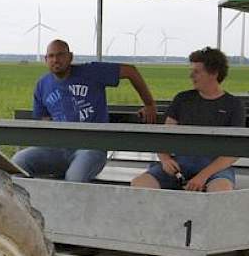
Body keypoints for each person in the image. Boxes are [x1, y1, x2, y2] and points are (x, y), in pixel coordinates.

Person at [12, 39, 157, 182]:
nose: (56, 59)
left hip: (91, 147)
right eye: (51, 56)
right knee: (18, 163)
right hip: (58, 149)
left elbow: (130, 71)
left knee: (75, 177)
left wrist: (149, 104)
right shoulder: (42, 85)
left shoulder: (91, 72)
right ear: (46, 59)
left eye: (60, 55)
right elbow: (43, 120)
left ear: (70, 57)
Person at [131, 47, 245, 192]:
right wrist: (165, 160)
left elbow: (233, 151)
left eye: (197, 71)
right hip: (180, 164)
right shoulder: (182, 99)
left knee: (221, 190)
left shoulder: (234, 105)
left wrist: (202, 176)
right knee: (140, 183)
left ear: (214, 73)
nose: (191, 76)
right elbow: (164, 136)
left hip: (214, 167)